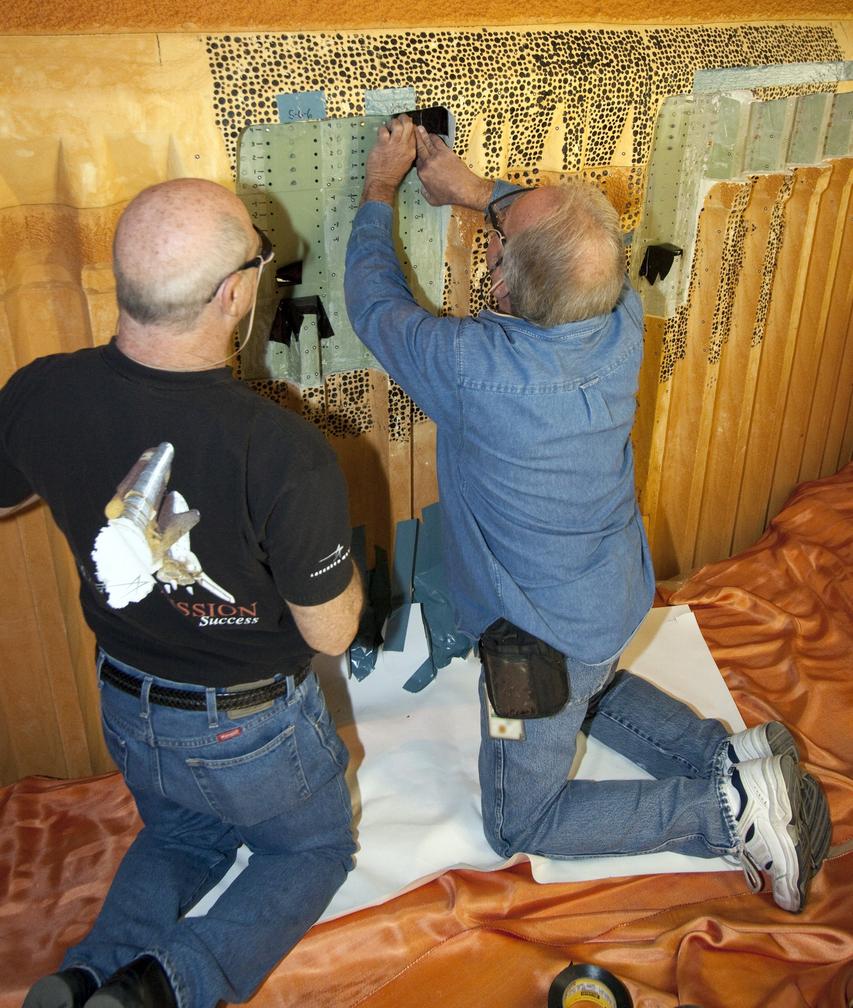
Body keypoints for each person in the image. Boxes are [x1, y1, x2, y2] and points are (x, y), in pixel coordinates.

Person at [343, 114, 831, 914]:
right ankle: (727, 756)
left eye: (497, 240)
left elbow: (372, 303)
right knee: (591, 685)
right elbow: (567, 241)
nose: (492, 233)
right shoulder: (617, 317)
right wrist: (473, 191)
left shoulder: (473, 371)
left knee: (519, 820)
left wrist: (377, 187)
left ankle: (724, 810)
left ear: (502, 287)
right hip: (607, 600)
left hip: (540, 642)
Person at [2, 178, 363, 1008]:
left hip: (127, 703)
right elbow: (334, 634)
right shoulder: (283, 450)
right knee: (310, 852)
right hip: (246, 728)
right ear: (233, 294)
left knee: (182, 833)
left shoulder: (41, 391)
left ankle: (85, 976)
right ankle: (165, 986)